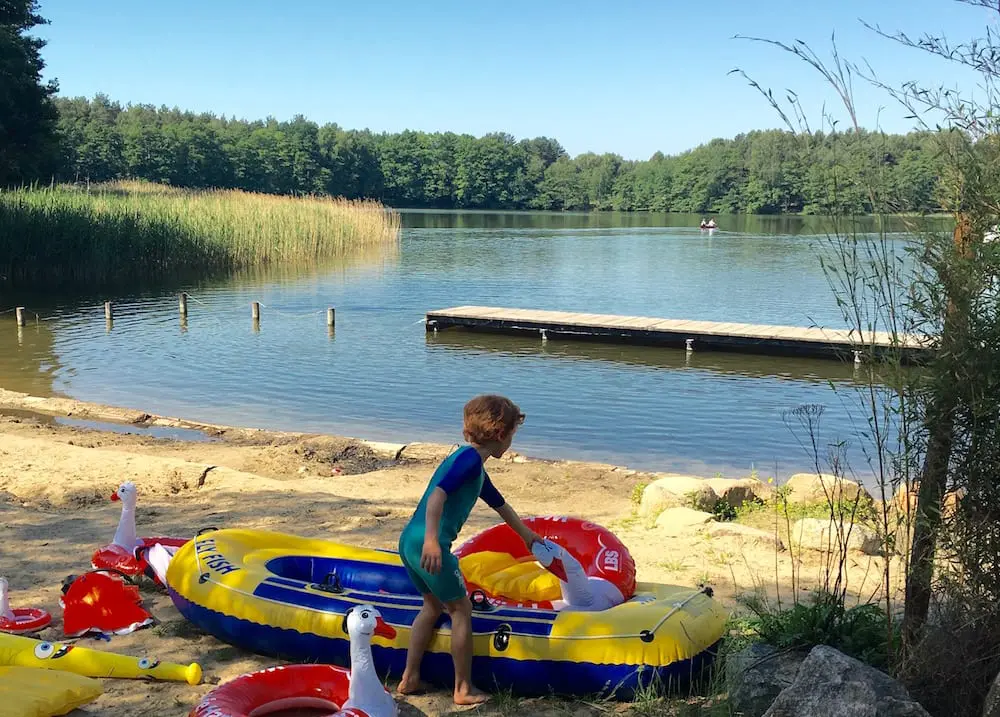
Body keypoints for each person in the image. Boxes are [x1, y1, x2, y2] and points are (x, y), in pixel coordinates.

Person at [396, 394, 541, 705]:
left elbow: (501, 505)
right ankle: (463, 688)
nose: (512, 442)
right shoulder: (469, 461)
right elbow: (437, 497)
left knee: (431, 607)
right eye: (513, 435)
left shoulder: (472, 464)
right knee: (462, 610)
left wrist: (527, 536)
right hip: (428, 543)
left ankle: (409, 678)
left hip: (409, 540)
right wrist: (434, 541)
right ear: (500, 434)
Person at [530, 539, 625, 612]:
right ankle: (544, 548)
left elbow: (572, 569)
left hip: (602, 591)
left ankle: (544, 548)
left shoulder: (580, 600)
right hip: (609, 589)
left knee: (572, 575)